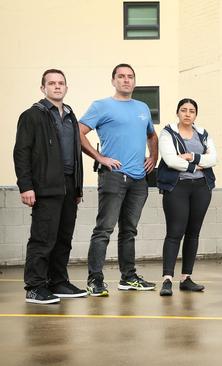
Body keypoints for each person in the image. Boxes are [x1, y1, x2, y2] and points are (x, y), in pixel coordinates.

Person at [78, 63, 159, 296]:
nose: (126, 80)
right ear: (113, 80)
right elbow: (79, 131)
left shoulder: (142, 107)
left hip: (138, 180)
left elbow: (151, 135)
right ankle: (95, 280)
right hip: (113, 177)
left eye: (130, 77)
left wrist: (153, 157)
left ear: (134, 81)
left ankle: (128, 278)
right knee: (104, 229)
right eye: (121, 76)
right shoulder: (102, 106)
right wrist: (100, 157)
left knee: (129, 231)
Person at [13, 69, 86, 304]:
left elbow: (76, 154)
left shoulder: (71, 115)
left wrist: (77, 187)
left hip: (68, 185)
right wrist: (26, 186)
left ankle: (58, 282)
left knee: (63, 237)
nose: (57, 86)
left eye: (61, 83)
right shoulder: (32, 116)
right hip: (45, 185)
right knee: (43, 238)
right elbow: (21, 153)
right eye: (52, 83)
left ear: (66, 87)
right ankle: (35, 286)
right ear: (43, 88)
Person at [157, 98, 217, 296]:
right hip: (177, 187)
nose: (187, 114)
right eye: (183, 110)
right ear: (177, 113)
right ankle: (167, 279)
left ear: (195, 115)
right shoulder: (167, 132)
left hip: (201, 187)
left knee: (193, 233)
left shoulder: (203, 133)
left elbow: (213, 159)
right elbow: (170, 160)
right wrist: (198, 165)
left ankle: (186, 278)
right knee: (175, 232)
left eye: (192, 111)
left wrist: (191, 157)